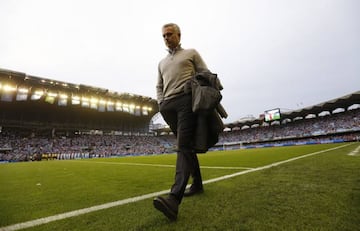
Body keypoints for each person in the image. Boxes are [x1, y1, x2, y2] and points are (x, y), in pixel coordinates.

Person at [153, 23, 208, 221]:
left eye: (169, 34)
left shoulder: (191, 53)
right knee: (186, 147)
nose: (166, 38)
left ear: (178, 35)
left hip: (186, 102)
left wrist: (192, 87)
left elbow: (205, 74)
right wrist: (161, 102)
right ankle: (198, 184)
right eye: (164, 36)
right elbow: (158, 85)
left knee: (183, 145)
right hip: (168, 106)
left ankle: (173, 200)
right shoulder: (161, 63)